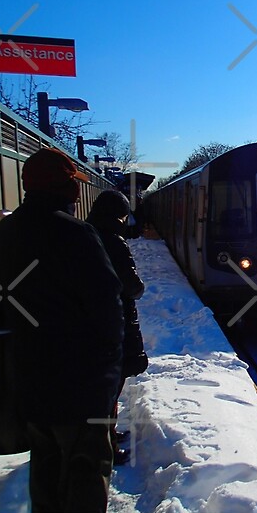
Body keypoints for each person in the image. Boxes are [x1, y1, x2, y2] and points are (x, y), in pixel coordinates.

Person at [0, 148, 124, 513]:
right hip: (80, 381)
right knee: (86, 470)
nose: (79, 193)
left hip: (31, 375)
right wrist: (110, 368)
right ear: (64, 188)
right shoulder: (77, 234)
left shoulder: (4, 235)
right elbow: (107, 307)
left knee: (45, 466)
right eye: (73, 185)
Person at [86, 189, 149, 464]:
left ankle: (106, 435)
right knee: (111, 384)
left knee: (103, 385)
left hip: (89, 323)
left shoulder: (84, 236)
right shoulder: (113, 242)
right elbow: (133, 287)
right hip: (115, 321)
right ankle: (106, 444)